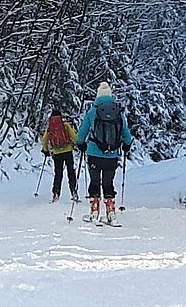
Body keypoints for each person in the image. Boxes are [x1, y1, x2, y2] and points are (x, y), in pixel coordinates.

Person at [74, 82, 133, 224]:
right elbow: (126, 133)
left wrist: (81, 144)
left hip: (94, 153)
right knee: (108, 182)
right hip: (112, 154)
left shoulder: (92, 112)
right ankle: (111, 212)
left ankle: (94, 212)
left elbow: (82, 133)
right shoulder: (118, 112)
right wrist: (126, 145)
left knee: (95, 181)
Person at [40, 110, 79, 202]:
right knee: (71, 172)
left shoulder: (50, 127)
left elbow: (45, 139)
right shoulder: (65, 125)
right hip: (68, 150)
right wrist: (80, 143)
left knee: (58, 173)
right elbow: (74, 136)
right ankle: (74, 191)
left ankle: (56, 193)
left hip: (57, 153)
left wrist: (45, 150)